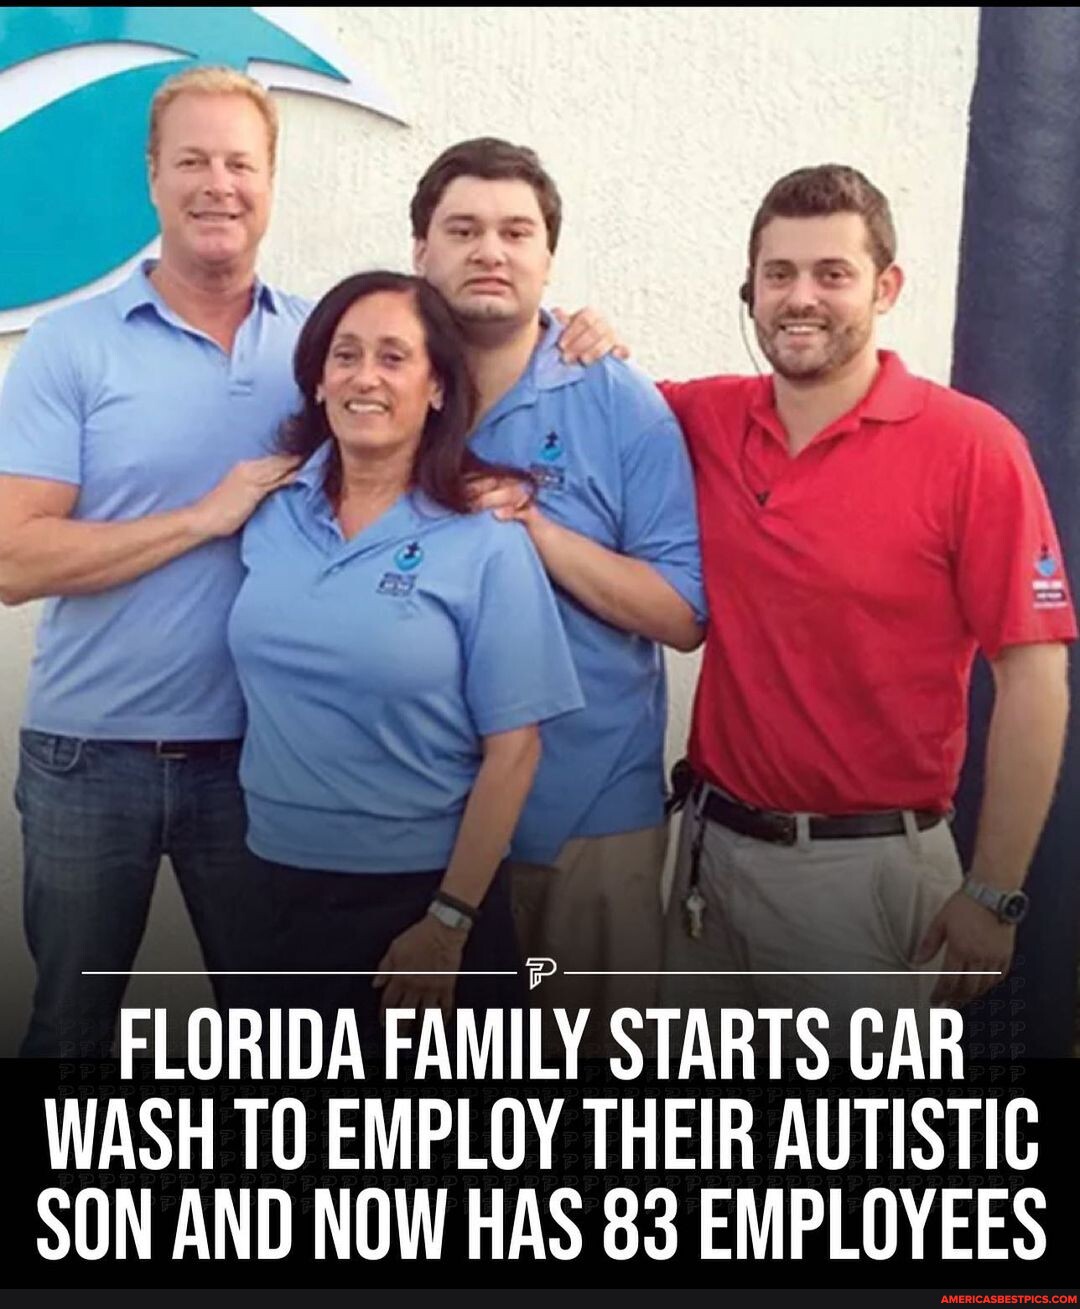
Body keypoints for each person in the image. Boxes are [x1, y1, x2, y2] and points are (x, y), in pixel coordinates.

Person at [0, 66, 612, 1058]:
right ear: (152, 177)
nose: (218, 184)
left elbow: (438, 358)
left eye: (240, 163)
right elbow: (11, 560)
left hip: (248, 770)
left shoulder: (316, 338)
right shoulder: (73, 345)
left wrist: (574, 333)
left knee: (278, 1043)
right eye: (192, 161)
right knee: (71, 1028)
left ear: (271, 181)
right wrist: (201, 519)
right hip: (91, 753)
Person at [659, 164, 1075, 1043]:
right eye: (778, 273)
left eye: (832, 273)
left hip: (862, 879)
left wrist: (995, 889)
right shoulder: (707, 417)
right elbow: (579, 406)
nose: (800, 297)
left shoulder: (973, 448)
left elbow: (1035, 679)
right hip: (704, 858)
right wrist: (577, 335)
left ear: (885, 288)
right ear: (750, 288)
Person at [227, 270, 583, 1034]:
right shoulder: (270, 510)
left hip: (421, 901)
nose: (365, 377)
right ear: (318, 380)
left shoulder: (485, 534)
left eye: (394, 357)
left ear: (437, 388)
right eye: (345, 355)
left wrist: (448, 921)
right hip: (271, 887)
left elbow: (515, 749)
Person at [410, 138, 706, 1035]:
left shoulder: (618, 400)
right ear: (420, 250)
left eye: (515, 232)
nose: (489, 251)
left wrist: (536, 532)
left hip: (586, 824)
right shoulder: (386, 384)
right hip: (418, 820)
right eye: (462, 229)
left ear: (548, 257)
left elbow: (683, 613)